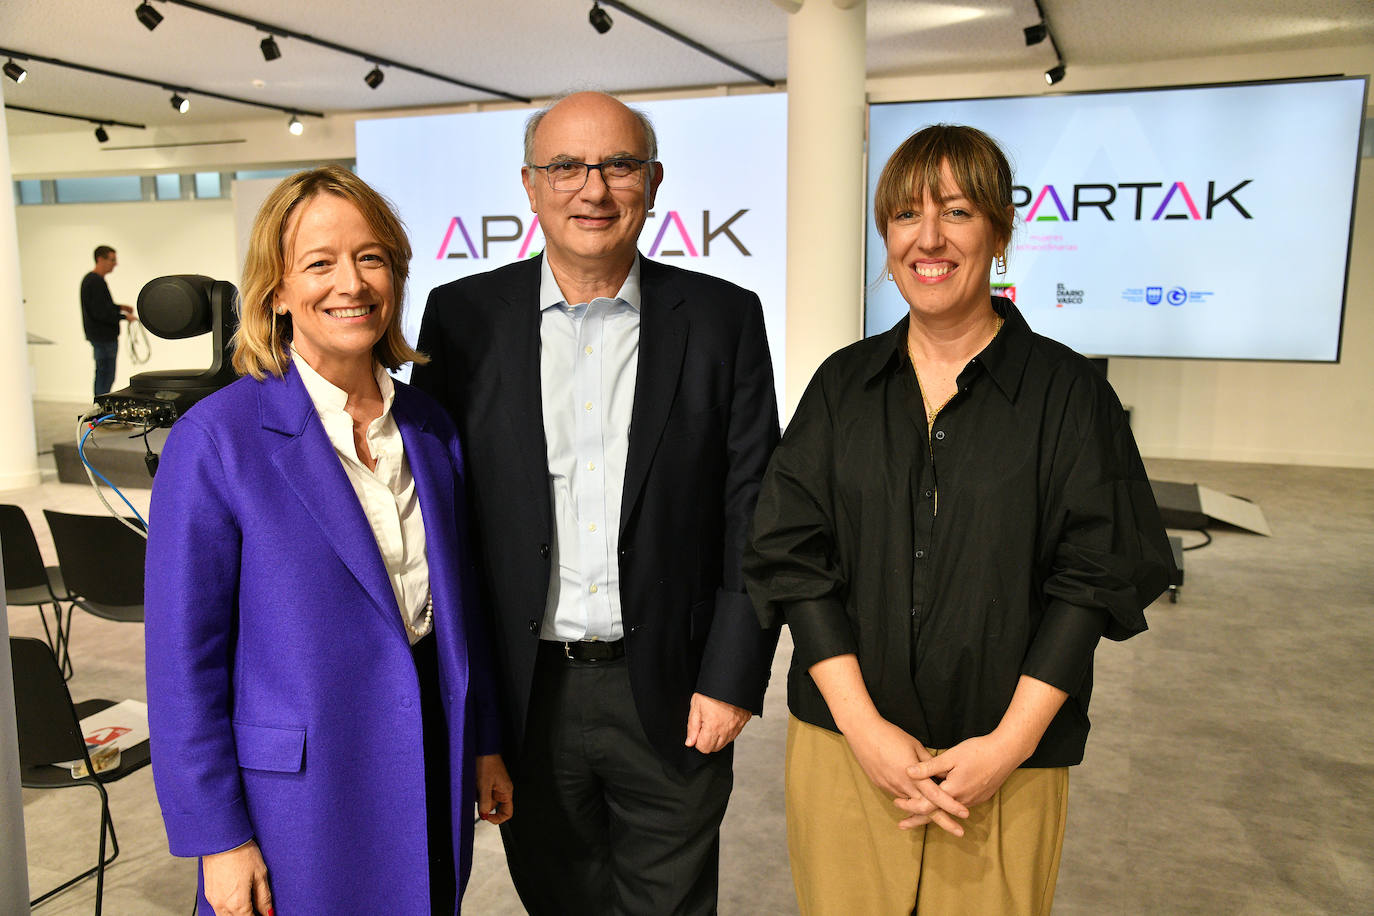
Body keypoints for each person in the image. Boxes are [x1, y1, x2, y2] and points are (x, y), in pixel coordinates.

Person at [744, 125, 1174, 916]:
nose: (928, 238)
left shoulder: (1070, 397)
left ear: (999, 231)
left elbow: (1094, 580)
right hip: (847, 753)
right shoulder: (842, 387)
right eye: (906, 215)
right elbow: (792, 559)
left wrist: (1006, 748)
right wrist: (865, 729)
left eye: (957, 211)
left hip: (1006, 767)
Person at [412, 91, 781, 915]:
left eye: (617, 165)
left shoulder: (723, 319)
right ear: (531, 185)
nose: (593, 189)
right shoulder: (462, 318)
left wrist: (732, 678)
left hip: (675, 690)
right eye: (566, 167)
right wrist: (473, 716)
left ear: (652, 182)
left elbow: (752, 513)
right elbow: (445, 525)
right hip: (527, 692)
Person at [144, 165, 512, 916]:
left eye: (371, 256)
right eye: (319, 262)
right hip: (297, 807)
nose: (351, 281)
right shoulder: (217, 440)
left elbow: (459, 606)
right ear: (276, 290)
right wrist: (218, 837)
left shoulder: (430, 427)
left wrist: (483, 741)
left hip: (427, 774)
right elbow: (183, 667)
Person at [80, 245, 135, 396]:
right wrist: (124, 316)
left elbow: (102, 307)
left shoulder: (93, 281)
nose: (115, 264)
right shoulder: (95, 282)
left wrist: (120, 307)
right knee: (105, 376)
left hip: (102, 337)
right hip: (103, 338)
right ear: (100, 259)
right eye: (112, 260)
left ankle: (100, 409)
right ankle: (100, 410)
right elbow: (100, 312)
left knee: (104, 375)